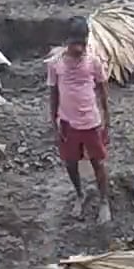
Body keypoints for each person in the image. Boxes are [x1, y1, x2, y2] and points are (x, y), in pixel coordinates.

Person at [48, 17, 113, 222]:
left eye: (83, 43)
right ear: (66, 40)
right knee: (70, 162)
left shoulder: (93, 61)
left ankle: (104, 201)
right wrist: (53, 120)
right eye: (75, 43)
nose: (79, 48)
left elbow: (103, 90)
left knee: (97, 162)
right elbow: (53, 93)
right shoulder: (55, 64)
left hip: (91, 122)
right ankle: (79, 194)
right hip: (67, 122)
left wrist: (107, 119)